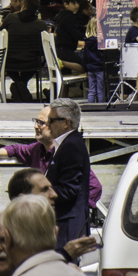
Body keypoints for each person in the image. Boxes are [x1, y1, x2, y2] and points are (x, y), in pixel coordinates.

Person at [0, 105, 104, 209]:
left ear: (52, 126)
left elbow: (95, 187)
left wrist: (72, 210)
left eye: (41, 123)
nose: (35, 126)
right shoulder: (37, 149)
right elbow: (16, 149)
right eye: (35, 121)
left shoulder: (65, 153)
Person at [4, 169, 99, 261]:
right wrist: (65, 255)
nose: (54, 194)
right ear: (23, 198)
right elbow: (32, 271)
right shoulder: (8, 236)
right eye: (44, 190)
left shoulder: (43, 230)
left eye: (51, 188)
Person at [42, 98, 92, 250]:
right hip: (66, 223)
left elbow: (69, 188)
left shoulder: (71, 146)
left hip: (68, 225)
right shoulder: (65, 144)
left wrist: (38, 195)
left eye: (51, 120)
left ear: (66, 123)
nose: (47, 124)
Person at [1, 0, 46, 103]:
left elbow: (0, 32)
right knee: (37, 61)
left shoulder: (11, 18)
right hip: (31, 63)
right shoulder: (41, 24)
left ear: (24, 5)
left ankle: (17, 83)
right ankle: (21, 84)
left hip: (10, 62)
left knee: (11, 67)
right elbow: (43, 47)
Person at [52, 0, 90, 75]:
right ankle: (61, 63)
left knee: (66, 75)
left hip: (60, 49)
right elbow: (76, 34)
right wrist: (88, 38)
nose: (77, 6)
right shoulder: (68, 17)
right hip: (64, 50)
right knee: (84, 66)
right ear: (66, 4)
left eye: (77, 3)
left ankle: (63, 64)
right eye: (73, 3)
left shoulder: (63, 16)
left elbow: (79, 28)